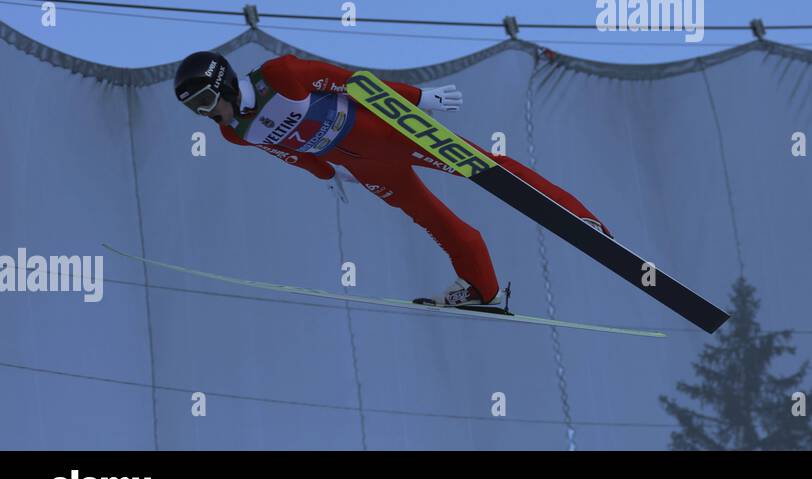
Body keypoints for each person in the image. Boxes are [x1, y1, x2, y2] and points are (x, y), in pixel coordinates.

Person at [173, 50, 609, 309]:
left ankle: (578, 218)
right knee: (433, 219)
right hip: (364, 167)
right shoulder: (235, 133)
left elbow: (356, 84)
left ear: (225, 84)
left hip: (389, 134)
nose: (207, 113)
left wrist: (420, 99)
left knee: (485, 167)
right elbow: (287, 151)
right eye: (196, 109)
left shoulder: (280, 75)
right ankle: (482, 287)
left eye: (207, 100)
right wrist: (326, 174)